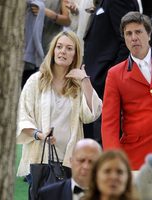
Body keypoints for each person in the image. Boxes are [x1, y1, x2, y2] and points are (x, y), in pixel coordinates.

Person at [16, 30, 102, 181]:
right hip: (40, 159)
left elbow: (91, 114)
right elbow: (23, 116)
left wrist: (85, 81)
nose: (63, 51)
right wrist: (40, 135)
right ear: (53, 50)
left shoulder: (78, 84)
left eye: (69, 48)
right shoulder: (36, 81)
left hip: (69, 161)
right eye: (59, 46)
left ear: (75, 54)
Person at [82, 0, 139, 145]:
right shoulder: (104, 2)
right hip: (96, 81)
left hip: (105, 81)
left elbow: (127, 42)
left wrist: (112, 75)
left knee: (103, 138)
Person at [102, 11, 152, 170]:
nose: (134, 37)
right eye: (128, 33)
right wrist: (113, 159)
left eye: (138, 32)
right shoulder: (115, 74)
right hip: (135, 156)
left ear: (149, 35)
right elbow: (109, 123)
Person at [22, 0, 71, 88]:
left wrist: (48, 13)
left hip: (48, 47)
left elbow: (67, 21)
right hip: (29, 50)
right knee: (27, 85)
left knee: (45, 85)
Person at [38, 138, 102, 200]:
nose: (86, 166)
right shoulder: (48, 194)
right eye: (81, 160)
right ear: (71, 161)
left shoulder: (109, 194)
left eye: (92, 161)